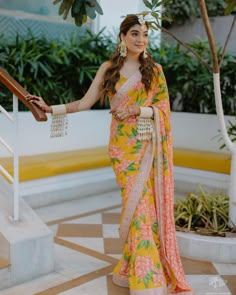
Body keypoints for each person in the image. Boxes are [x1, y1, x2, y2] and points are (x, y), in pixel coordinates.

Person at [27, 14, 194, 295]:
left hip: (146, 146)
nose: (140, 39)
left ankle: (144, 274)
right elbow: (85, 102)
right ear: (123, 36)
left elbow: (163, 109)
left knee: (144, 210)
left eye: (144, 34)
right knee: (136, 206)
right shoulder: (109, 69)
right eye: (134, 34)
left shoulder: (155, 70)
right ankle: (143, 272)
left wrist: (137, 110)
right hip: (121, 150)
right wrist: (50, 108)